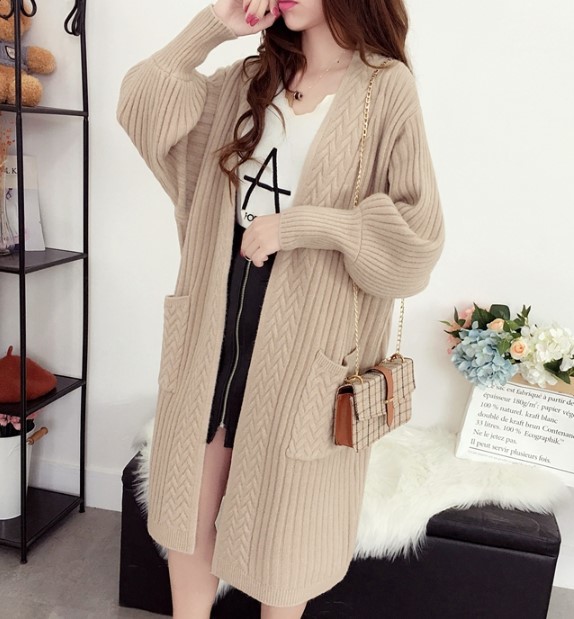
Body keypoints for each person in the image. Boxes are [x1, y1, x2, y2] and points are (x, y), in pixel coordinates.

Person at [117, 0, 444, 617]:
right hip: (216, 311)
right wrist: (209, 30)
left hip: (309, 335)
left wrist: (304, 226)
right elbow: (142, 110)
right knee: (191, 499)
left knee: (287, 520)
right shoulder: (248, 79)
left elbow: (416, 238)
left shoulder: (385, 89)